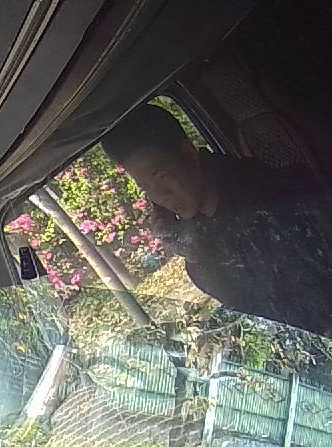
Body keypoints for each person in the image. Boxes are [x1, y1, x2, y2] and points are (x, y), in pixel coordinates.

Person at [101, 103, 332, 336]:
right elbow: (252, 314)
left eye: (160, 175)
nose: (161, 195)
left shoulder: (276, 196)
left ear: (189, 154)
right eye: (146, 187)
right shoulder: (202, 237)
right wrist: (195, 256)